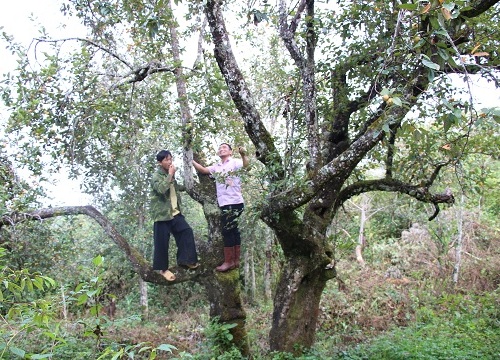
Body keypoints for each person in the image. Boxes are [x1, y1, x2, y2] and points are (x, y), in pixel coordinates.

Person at [192, 143, 249, 272]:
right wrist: (190, 160)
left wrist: (243, 154)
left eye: (224, 148)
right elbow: (203, 170)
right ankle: (235, 261)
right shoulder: (216, 167)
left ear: (230, 152)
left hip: (235, 201)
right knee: (233, 230)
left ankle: (229, 261)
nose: (221, 149)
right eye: (220, 148)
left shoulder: (235, 162)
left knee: (228, 230)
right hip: (224, 203)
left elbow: (246, 166)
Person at [151, 150, 199, 281]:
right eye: (166, 160)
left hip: (175, 213)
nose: (170, 162)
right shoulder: (156, 176)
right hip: (162, 215)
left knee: (186, 231)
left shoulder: (170, 175)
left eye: (171, 159)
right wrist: (171, 175)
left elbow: (176, 189)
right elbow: (161, 189)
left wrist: (190, 185)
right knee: (162, 242)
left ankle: (186, 260)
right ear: (160, 162)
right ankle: (163, 270)